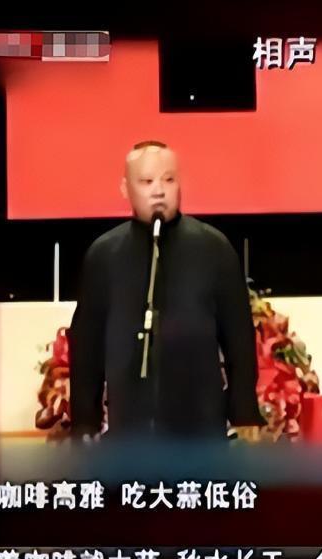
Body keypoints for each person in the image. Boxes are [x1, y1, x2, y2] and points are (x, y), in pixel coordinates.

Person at [69, 140, 264, 439]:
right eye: (146, 181)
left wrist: (244, 411)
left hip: (201, 426)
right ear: (125, 188)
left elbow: (238, 337)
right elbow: (87, 344)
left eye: (168, 180)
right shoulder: (105, 255)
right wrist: (85, 419)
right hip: (129, 429)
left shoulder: (213, 248)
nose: (158, 191)